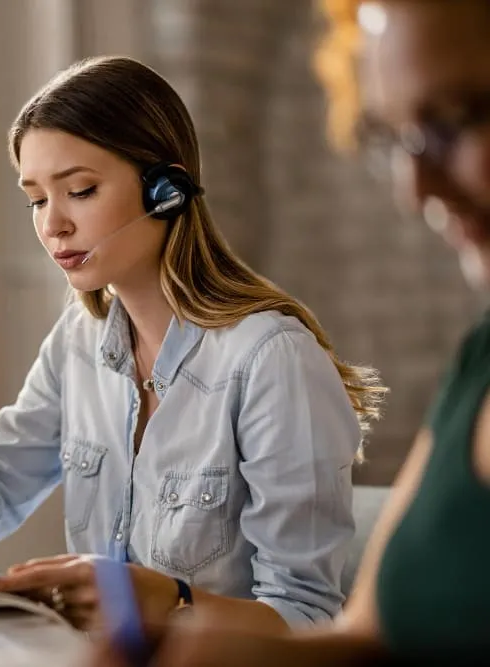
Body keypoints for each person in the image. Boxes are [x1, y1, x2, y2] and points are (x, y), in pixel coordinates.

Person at [0, 55, 385, 632]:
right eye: (36, 199)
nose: (52, 224)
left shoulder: (270, 359)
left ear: (166, 189)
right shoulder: (77, 346)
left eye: (79, 190)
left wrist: (166, 600)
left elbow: (306, 617)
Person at [87, 1, 490, 664]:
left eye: (452, 120)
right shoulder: (480, 359)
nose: (414, 189)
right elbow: (370, 637)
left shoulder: (271, 352)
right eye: (394, 138)